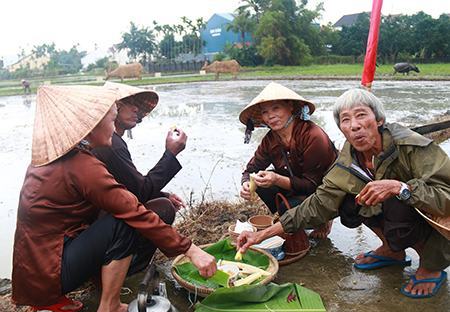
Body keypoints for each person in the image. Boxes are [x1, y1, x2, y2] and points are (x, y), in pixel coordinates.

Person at [12, 85, 216, 312]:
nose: (113, 128)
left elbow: (113, 194)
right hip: (52, 273)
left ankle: (53, 295)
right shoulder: (81, 165)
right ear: (91, 125)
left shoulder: (51, 157)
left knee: (123, 211)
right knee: (125, 220)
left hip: (37, 274)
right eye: (110, 120)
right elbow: (131, 208)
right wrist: (191, 250)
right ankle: (108, 310)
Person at [238, 88, 450, 299]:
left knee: (397, 202)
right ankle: (392, 250)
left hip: (433, 215)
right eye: (345, 120)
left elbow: (446, 197)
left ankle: (432, 265)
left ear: (378, 120)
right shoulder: (348, 160)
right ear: (341, 129)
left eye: (361, 115)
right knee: (350, 202)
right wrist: (260, 235)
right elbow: (318, 203)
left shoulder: (411, 146)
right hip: (379, 202)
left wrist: (401, 188)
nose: (354, 125)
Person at [93, 82, 187, 274]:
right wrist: (170, 154)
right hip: (98, 227)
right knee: (163, 208)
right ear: (113, 108)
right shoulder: (111, 144)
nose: (136, 109)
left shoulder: (109, 140)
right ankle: (131, 269)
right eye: (128, 103)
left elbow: (126, 185)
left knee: (161, 200)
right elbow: (139, 191)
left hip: (96, 227)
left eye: (137, 103)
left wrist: (162, 192)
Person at [239, 82, 337, 239]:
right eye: (265, 112)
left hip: (323, 191)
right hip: (297, 185)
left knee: (287, 207)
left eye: (276, 108)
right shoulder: (270, 140)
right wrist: (246, 183)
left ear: (290, 107)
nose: (271, 116)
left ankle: (323, 220)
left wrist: (277, 179)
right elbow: (250, 170)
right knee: (261, 181)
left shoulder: (313, 136)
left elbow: (312, 184)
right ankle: (292, 222)